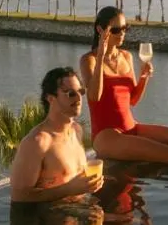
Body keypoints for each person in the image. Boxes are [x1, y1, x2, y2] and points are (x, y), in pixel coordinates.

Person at [79, 6, 168, 165]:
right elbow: (94, 96)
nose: (122, 33)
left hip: (131, 126)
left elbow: (132, 100)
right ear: (100, 30)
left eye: (125, 28)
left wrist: (144, 77)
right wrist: (100, 56)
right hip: (106, 136)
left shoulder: (126, 56)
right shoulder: (89, 60)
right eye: (116, 30)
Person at [10, 67, 103, 203]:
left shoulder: (77, 131)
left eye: (81, 92)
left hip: (80, 207)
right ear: (51, 98)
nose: (78, 98)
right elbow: (19, 196)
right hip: (52, 213)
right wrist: (68, 190)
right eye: (71, 93)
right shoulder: (37, 142)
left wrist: (90, 183)